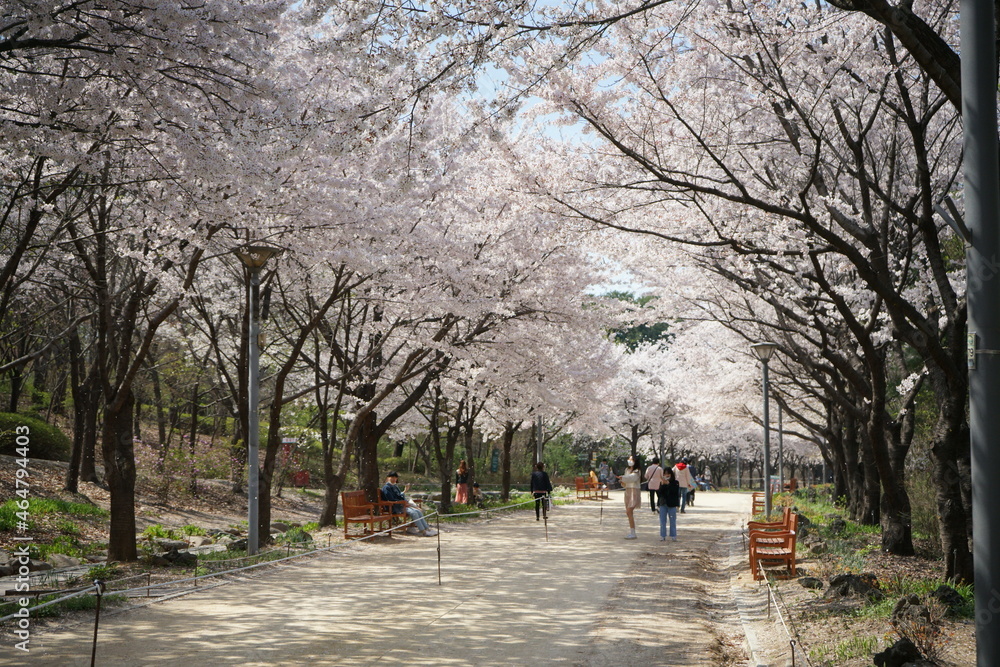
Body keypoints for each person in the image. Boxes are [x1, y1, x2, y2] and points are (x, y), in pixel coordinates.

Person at [381, 471, 437, 536]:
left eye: (395, 477)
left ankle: (427, 529)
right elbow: (391, 499)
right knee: (414, 513)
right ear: (388, 478)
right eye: (392, 477)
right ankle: (423, 531)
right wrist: (403, 503)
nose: (394, 479)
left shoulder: (395, 486)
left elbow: (399, 496)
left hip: (401, 505)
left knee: (418, 511)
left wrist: (405, 494)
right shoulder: (386, 487)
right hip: (395, 507)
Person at [620, 457, 642, 539]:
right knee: (628, 513)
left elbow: (632, 478)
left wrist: (623, 478)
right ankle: (632, 531)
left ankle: (633, 533)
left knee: (629, 511)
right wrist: (622, 481)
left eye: (631, 460)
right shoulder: (627, 470)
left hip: (634, 491)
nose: (629, 461)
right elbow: (626, 481)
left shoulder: (637, 471)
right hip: (628, 491)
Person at [657, 468, 681, 541]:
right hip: (663, 504)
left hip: (672, 504)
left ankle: (673, 535)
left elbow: (675, 492)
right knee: (662, 521)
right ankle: (662, 535)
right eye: (665, 474)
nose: (666, 475)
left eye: (668, 474)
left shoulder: (675, 482)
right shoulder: (661, 482)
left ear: (671, 474)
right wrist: (663, 485)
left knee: (672, 520)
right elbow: (659, 493)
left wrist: (668, 484)